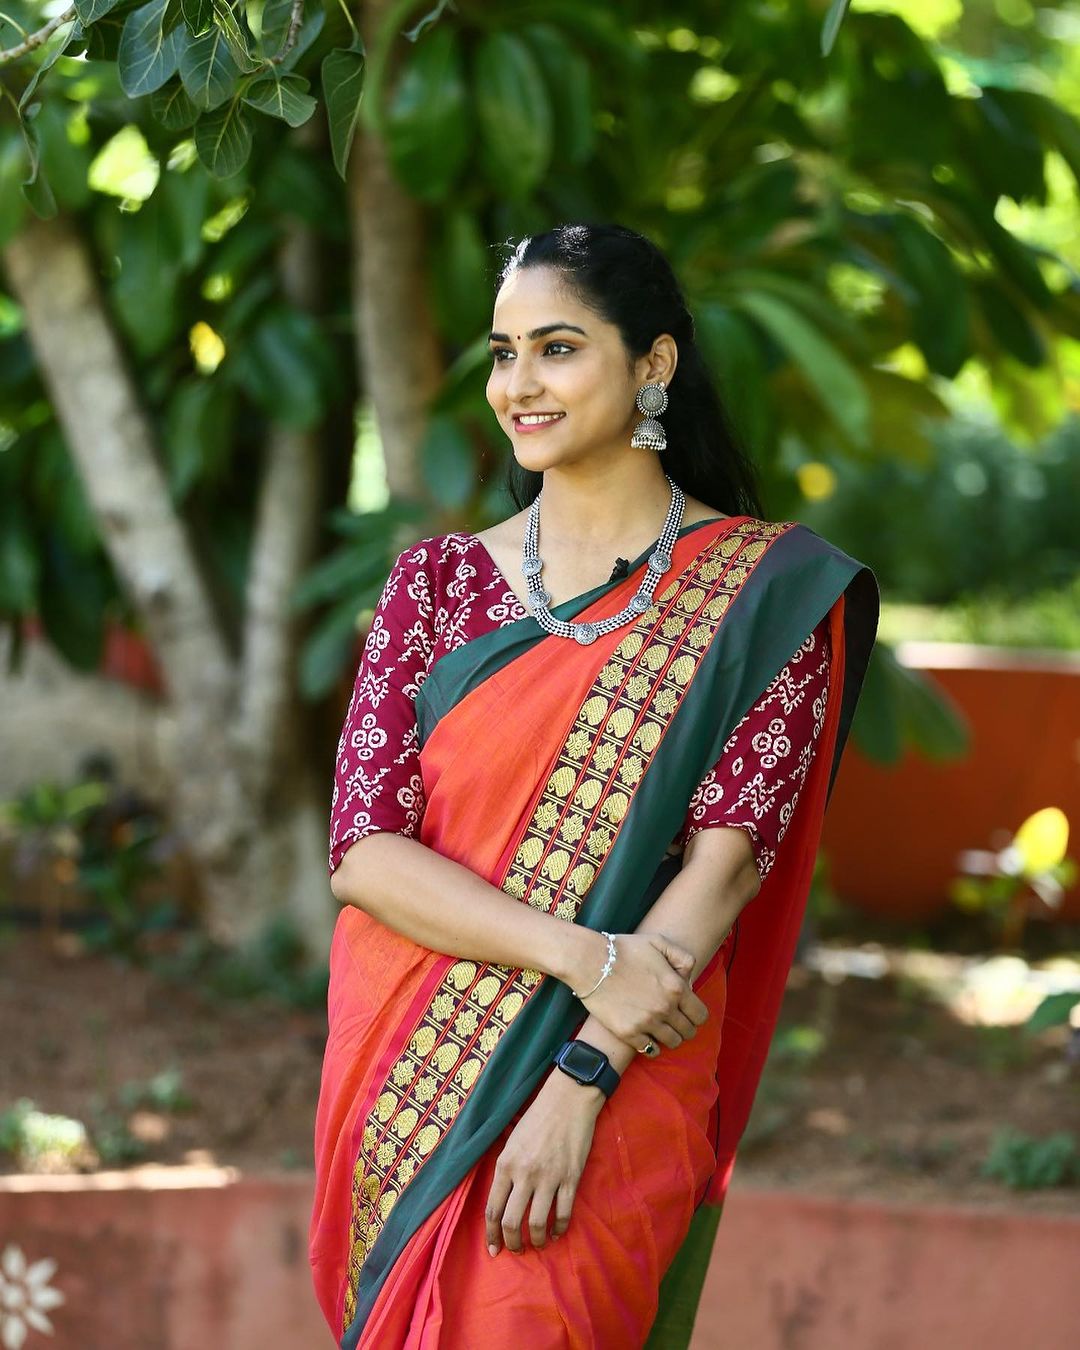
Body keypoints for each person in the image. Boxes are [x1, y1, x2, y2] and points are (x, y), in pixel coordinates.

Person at [309, 223, 878, 1349]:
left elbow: (721, 875)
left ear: (653, 365)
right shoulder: (437, 585)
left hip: (618, 1089)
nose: (518, 385)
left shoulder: (766, 600)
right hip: (413, 1081)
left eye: (557, 348)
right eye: (502, 351)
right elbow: (364, 853)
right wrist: (582, 957)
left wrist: (579, 1076)